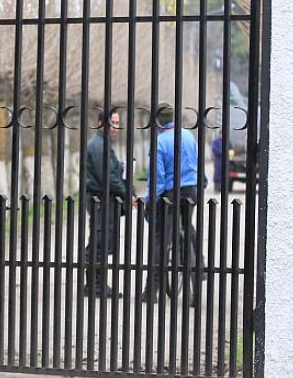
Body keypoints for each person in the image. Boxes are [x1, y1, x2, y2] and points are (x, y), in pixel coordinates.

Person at [141, 102, 205, 304]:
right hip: (191, 190)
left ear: (158, 121)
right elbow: (197, 162)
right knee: (188, 231)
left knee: (162, 239)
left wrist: (151, 200)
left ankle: (152, 291)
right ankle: (197, 280)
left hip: (170, 193)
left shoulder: (160, 142)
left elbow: (157, 178)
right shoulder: (188, 136)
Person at [83, 110, 132, 298]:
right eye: (113, 123)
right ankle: (95, 285)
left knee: (102, 241)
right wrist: (127, 193)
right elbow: (108, 176)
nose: (116, 127)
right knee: (99, 241)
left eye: (118, 123)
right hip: (99, 199)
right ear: (101, 123)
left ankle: (96, 284)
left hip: (105, 198)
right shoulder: (98, 145)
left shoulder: (103, 144)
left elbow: (114, 170)